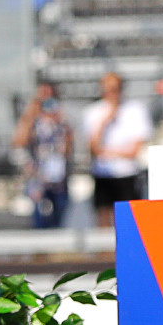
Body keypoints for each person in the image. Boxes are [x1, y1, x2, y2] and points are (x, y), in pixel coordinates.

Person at [81, 71, 152, 226]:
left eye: (115, 88)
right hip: (103, 175)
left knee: (130, 223)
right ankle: (106, 251)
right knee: (103, 221)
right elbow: (93, 147)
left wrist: (107, 152)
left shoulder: (136, 110)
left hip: (128, 174)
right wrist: (105, 122)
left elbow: (134, 150)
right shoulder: (92, 113)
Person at [14, 78, 73, 229]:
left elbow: (68, 148)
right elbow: (19, 141)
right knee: (39, 221)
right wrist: (31, 114)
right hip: (37, 178)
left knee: (59, 216)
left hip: (58, 178)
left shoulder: (62, 118)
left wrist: (61, 123)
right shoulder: (31, 119)